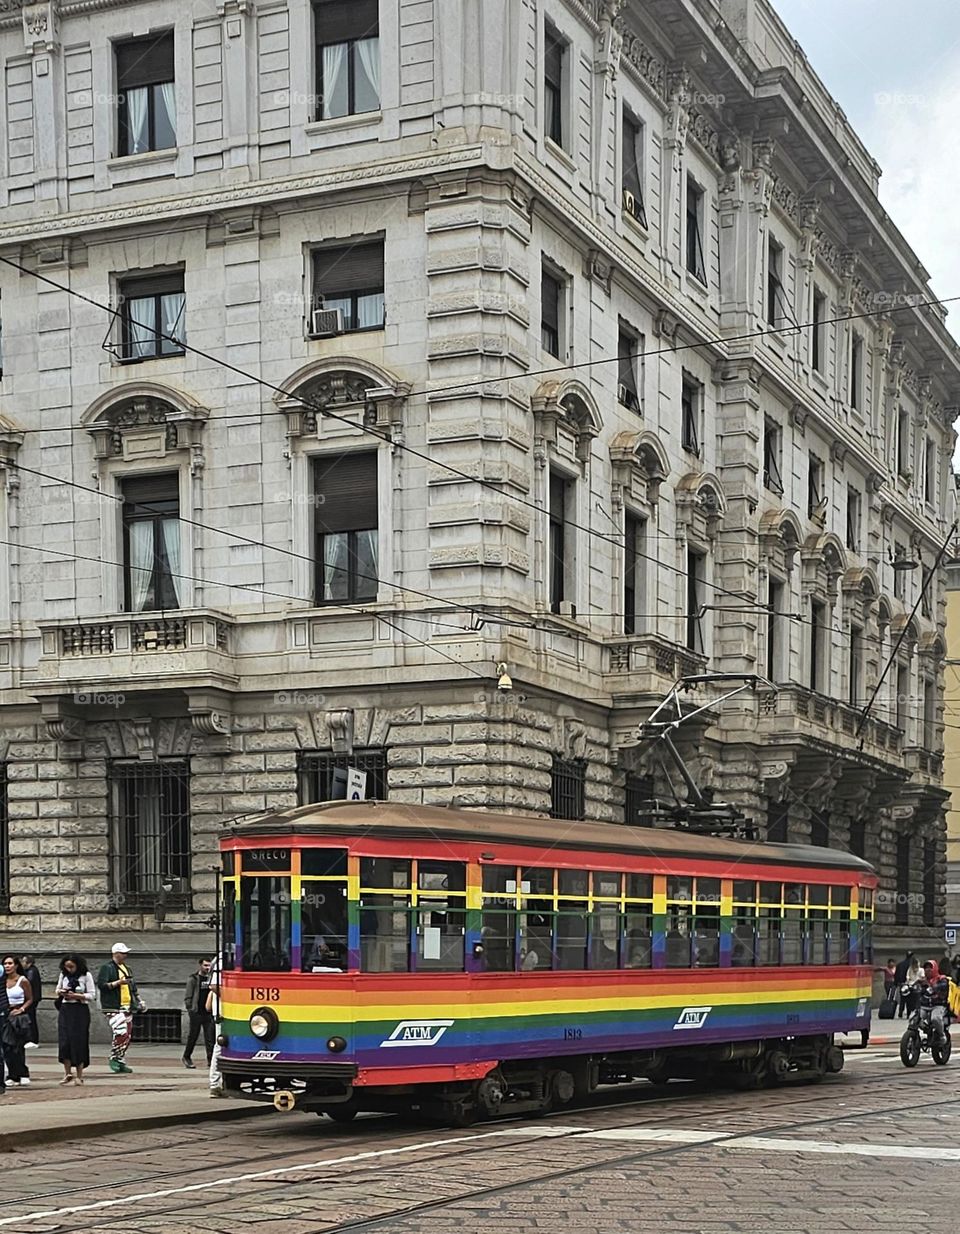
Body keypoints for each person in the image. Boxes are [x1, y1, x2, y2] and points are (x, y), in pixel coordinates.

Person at [96, 943, 145, 1074]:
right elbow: (102, 985)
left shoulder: (127, 968)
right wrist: (118, 983)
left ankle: (120, 1059)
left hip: (127, 1005)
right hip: (113, 1006)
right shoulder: (107, 968)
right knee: (121, 1032)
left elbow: (133, 987)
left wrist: (140, 1001)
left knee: (127, 1035)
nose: (125, 955)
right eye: (123, 953)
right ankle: (115, 1058)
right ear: (115, 954)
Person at [55, 954, 95, 1085]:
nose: (69, 969)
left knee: (79, 1041)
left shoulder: (86, 976)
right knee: (65, 1041)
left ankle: (79, 1075)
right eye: (66, 967)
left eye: (71, 966)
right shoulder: (64, 975)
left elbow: (92, 995)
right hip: (66, 1009)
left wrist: (77, 995)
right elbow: (57, 989)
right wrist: (62, 991)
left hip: (80, 1010)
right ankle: (67, 1073)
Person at [2, 956, 33, 1087]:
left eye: (10, 963)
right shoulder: (2, 981)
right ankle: (12, 1074)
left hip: (18, 1015)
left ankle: (22, 1073)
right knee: (6, 1046)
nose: (7, 966)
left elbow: (30, 998)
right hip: (5, 1014)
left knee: (17, 1046)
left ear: (16, 965)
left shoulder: (22, 980)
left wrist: (21, 1009)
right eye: (5, 964)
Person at [182, 958, 215, 1070]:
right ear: (200, 965)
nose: (207, 968)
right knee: (193, 1036)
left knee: (210, 1037)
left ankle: (210, 1060)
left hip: (208, 1012)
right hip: (196, 1011)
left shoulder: (212, 978)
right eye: (205, 965)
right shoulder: (194, 979)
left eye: (209, 965)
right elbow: (188, 995)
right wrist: (190, 1008)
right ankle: (187, 1057)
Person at [918, 959, 951, 1044]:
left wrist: (934, 986)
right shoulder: (923, 980)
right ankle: (924, 1031)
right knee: (915, 1018)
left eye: (930, 967)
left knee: (935, 1018)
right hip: (925, 1005)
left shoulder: (941, 978)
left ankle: (941, 1035)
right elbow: (918, 990)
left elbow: (944, 985)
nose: (928, 970)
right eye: (926, 968)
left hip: (938, 1005)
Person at [21, 956, 41, 1049]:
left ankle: (32, 1039)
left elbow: (28, 982)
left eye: (23, 962)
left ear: (28, 962)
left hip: (32, 998)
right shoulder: (31, 970)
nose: (22, 964)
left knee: (30, 1018)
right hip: (33, 998)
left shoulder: (32, 971)